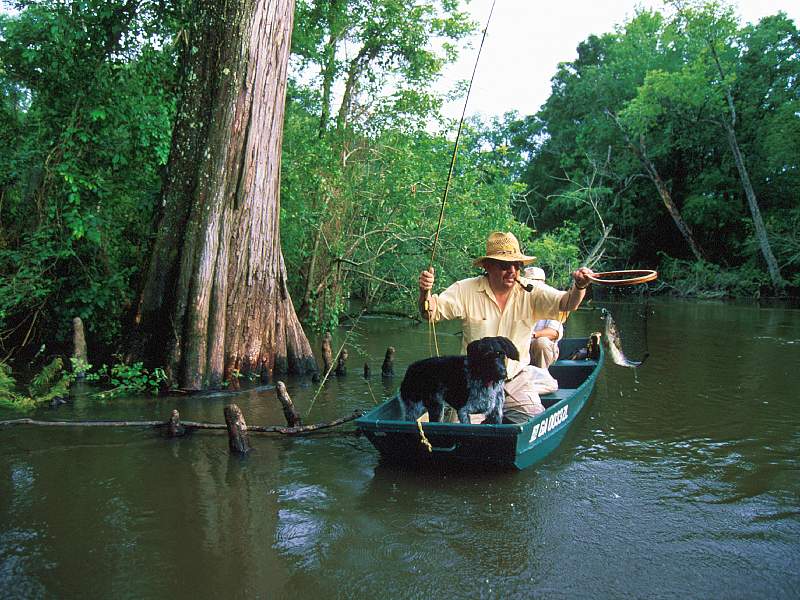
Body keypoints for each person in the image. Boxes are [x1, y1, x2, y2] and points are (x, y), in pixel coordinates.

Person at [418, 231, 593, 423]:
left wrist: (580, 286)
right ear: (487, 266)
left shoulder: (531, 291)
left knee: (534, 424)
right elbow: (431, 313)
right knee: (461, 432)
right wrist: (425, 293)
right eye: (504, 265)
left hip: (516, 379)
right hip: (474, 382)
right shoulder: (465, 289)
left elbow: (567, 303)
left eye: (516, 265)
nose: (512, 270)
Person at [525, 267, 564, 369]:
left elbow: (554, 333)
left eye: (537, 283)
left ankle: (541, 378)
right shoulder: (517, 301)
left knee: (541, 342)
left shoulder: (551, 302)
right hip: (522, 348)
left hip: (543, 350)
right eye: (530, 283)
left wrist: (533, 335)